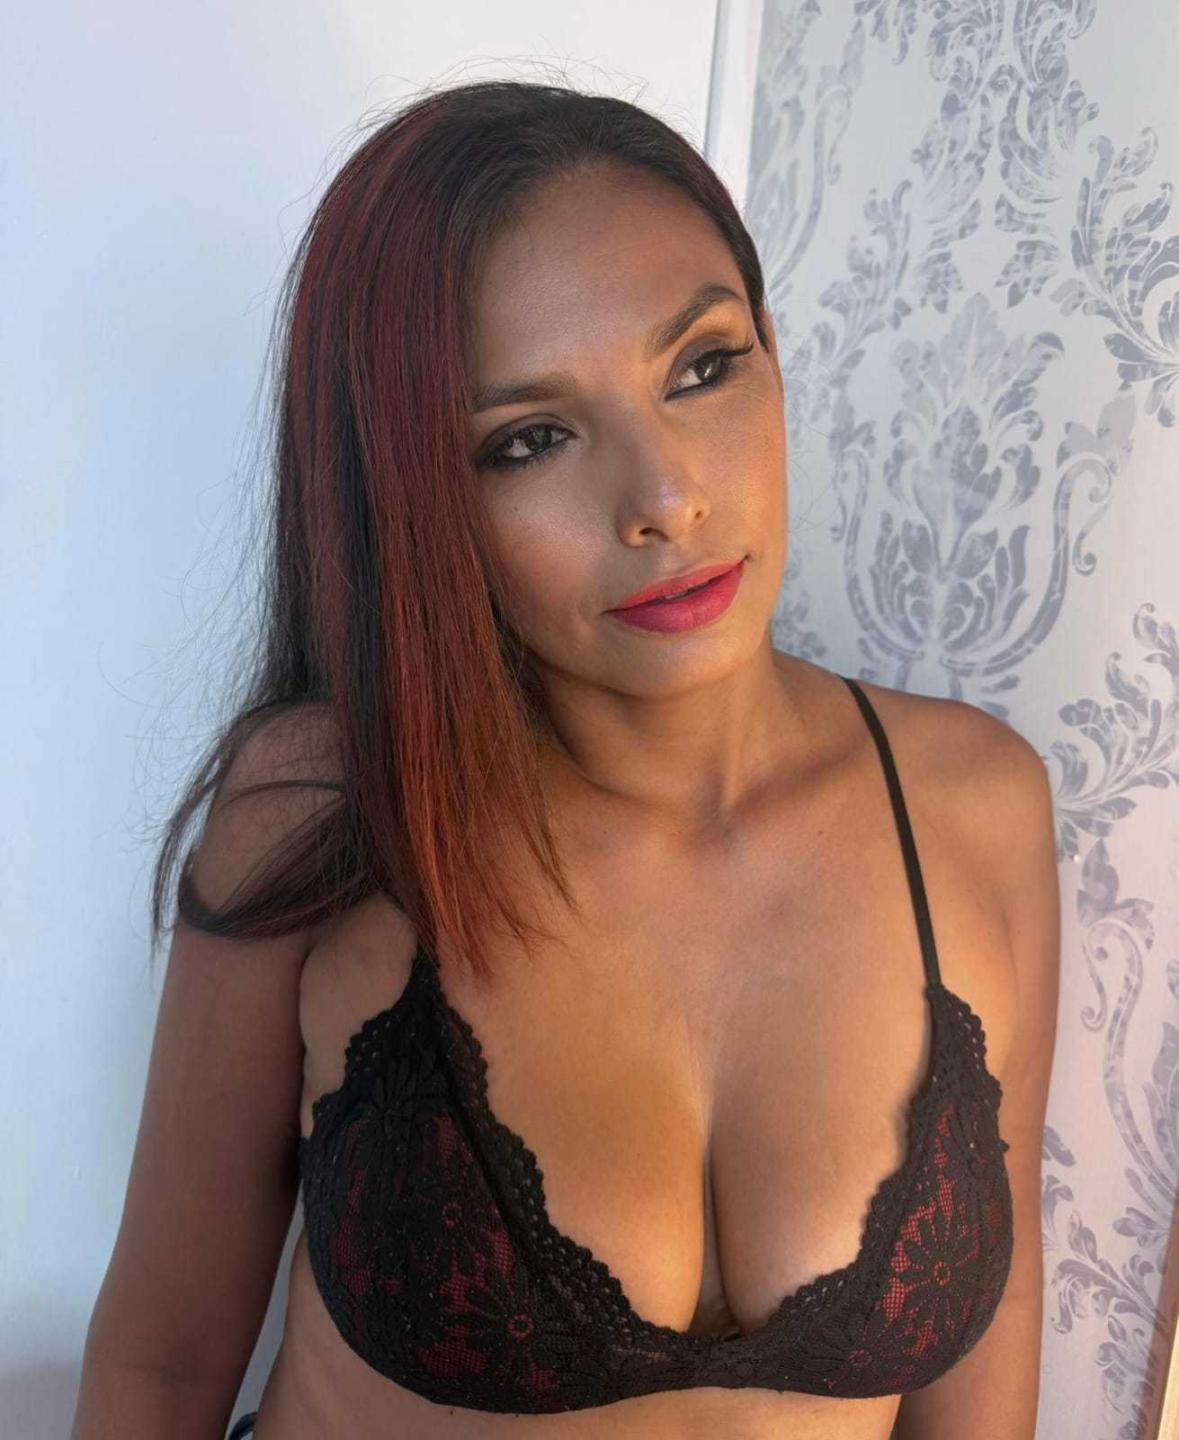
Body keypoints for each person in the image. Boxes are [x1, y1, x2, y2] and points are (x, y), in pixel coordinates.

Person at [72, 78, 1060, 1439]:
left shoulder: (975, 804)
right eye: (529, 440)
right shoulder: (320, 809)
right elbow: (161, 1369)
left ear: (773, 350)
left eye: (702, 367)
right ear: (413, 493)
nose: (665, 499)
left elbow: (990, 1348)